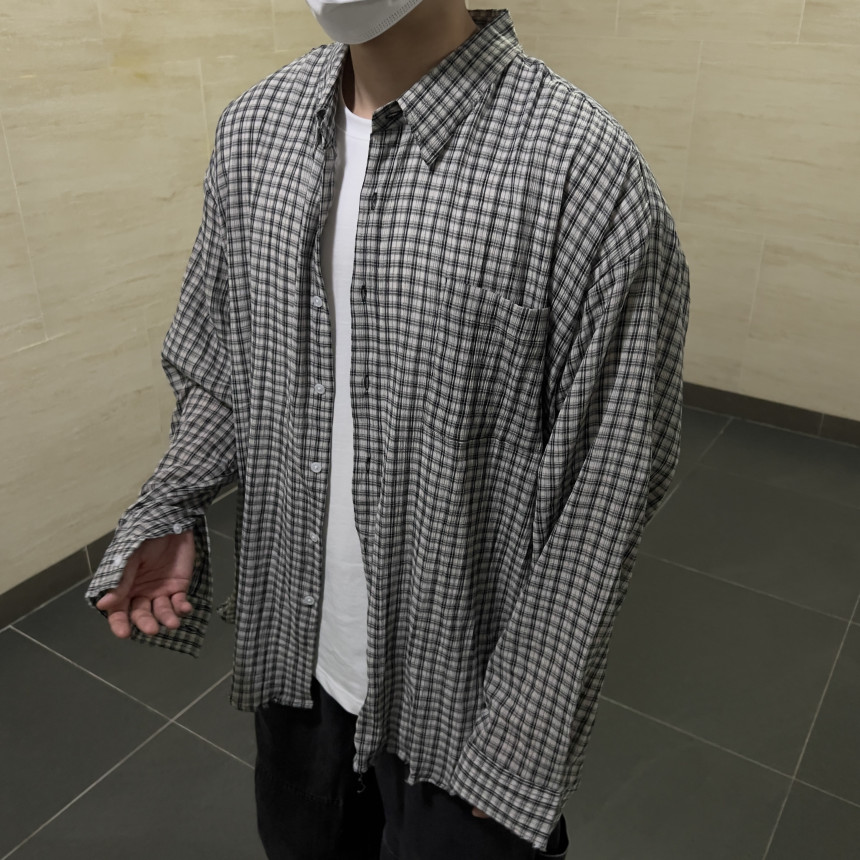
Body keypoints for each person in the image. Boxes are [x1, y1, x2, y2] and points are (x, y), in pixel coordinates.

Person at [86, 1, 690, 858]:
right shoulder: (256, 130)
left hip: (465, 707)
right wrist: (172, 500)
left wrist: (521, 742)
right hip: (298, 658)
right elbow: (221, 364)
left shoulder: (582, 170)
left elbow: (606, 492)